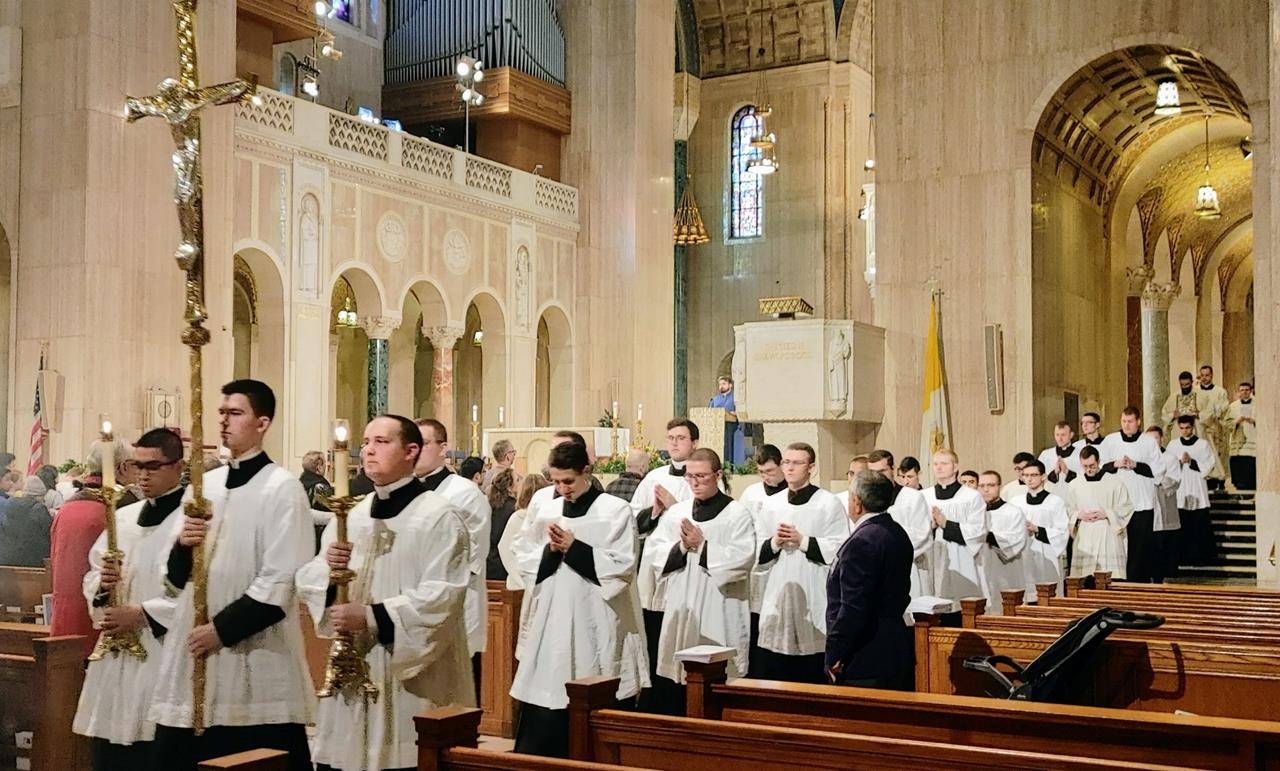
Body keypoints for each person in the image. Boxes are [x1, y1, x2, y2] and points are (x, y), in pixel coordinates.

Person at [149, 380, 314, 770]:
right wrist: (182, 547)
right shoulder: (204, 486)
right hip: (193, 653)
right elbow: (173, 580)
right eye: (221, 412)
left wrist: (220, 630)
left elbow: (281, 578)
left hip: (252, 655)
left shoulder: (282, 489)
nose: (223, 422)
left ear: (262, 422)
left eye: (235, 413)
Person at [297, 415, 473, 771]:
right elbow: (311, 575)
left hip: (412, 679)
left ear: (411, 451)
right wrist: (330, 574)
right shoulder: (352, 516)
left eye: (380, 442)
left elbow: (443, 596)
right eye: (364, 443)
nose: (368, 451)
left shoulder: (439, 517)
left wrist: (374, 615)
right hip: (353, 672)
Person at [509, 441, 648, 757]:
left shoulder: (614, 510)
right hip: (553, 617)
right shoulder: (546, 510)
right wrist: (550, 551)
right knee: (547, 698)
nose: (562, 489)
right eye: (555, 481)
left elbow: (622, 567)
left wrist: (575, 547)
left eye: (568, 481)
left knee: (591, 691)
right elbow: (524, 556)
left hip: (595, 619)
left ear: (586, 471)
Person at [74, 428, 187, 770]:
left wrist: (143, 614)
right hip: (116, 662)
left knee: (153, 752)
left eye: (152, 466)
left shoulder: (192, 521)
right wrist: (104, 587)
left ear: (177, 466)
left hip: (162, 655)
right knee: (110, 753)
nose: (142, 475)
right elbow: (93, 576)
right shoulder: (121, 518)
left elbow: (202, 593)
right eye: (137, 466)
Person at [644, 448, 754, 714]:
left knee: (718, 678)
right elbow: (655, 553)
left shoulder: (737, 513)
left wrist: (702, 545)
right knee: (677, 683)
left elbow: (742, 559)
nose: (694, 482)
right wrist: (681, 547)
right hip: (684, 606)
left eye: (702, 476)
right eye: (690, 476)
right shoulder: (677, 512)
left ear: (717, 475)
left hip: (720, 606)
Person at [753, 443, 847, 684]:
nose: (790, 468)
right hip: (779, 588)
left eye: (797, 463)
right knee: (776, 666)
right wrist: (775, 542)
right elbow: (756, 548)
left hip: (813, 587)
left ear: (811, 468)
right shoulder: (772, 504)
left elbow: (839, 547)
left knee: (810, 665)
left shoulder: (828, 502)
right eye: (786, 462)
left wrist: (802, 540)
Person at [413, 418, 490, 698]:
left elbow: (469, 556)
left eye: (422, 443)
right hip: (412, 609)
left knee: (456, 699)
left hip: (454, 606)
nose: (415, 451)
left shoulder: (465, 493)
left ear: (443, 448)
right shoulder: (405, 491)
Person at [630, 418, 700, 703]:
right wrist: (655, 512)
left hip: (684, 569)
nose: (674, 442)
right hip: (653, 569)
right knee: (653, 633)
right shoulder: (653, 477)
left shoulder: (699, 477)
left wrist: (674, 509)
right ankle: (652, 698)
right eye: (670, 437)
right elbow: (633, 522)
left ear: (694, 443)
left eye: (681, 438)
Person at [825, 470, 913, 690]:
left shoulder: (863, 541)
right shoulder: (896, 531)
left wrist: (835, 651)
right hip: (894, 644)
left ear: (857, 502)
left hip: (866, 654)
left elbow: (853, 607)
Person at [49, 444, 121, 658]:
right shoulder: (112, 511)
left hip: (64, 614)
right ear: (122, 468)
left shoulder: (67, 508)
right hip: (97, 621)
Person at [736, 444, 784, 677]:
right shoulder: (751, 493)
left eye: (771, 471)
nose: (766, 477)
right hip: (755, 566)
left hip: (780, 564)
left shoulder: (791, 495)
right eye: (762, 472)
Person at [1100, 406, 1164, 582]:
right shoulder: (1111, 440)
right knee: (1117, 544)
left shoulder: (1148, 442)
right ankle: (1117, 580)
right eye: (1123, 421)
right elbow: (1100, 468)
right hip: (1117, 504)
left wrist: (1136, 465)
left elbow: (1159, 471)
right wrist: (1115, 464)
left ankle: (1138, 582)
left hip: (1141, 502)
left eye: (1130, 422)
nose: (1126, 425)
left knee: (1140, 546)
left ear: (1138, 422)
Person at [922, 449, 987, 606]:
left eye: (944, 463)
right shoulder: (924, 496)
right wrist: (930, 527)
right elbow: (914, 532)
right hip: (931, 560)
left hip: (961, 562)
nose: (939, 467)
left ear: (956, 467)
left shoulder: (971, 497)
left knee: (958, 610)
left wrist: (946, 524)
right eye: (936, 464)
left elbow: (977, 531)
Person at [865, 450, 932, 599]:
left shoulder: (912, 498)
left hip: (909, 569)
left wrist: (885, 544)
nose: (878, 476)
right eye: (873, 472)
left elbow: (922, 534)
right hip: (876, 573)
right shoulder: (866, 501)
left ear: (893, 470)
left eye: (882, 471)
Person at [1066, 446, 1133, 578]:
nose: (1088, 469)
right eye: (1084, 466)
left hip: (1108, 534)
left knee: (1110, 579)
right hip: (1085, 536)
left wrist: (1107, 513)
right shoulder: (1074, 484)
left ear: (1099, 461)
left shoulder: (1114, 482)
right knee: (1084, 581)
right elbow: (1068, 509)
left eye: (1092, 465)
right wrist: (1078, 515)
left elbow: (1126, 507)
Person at [1008, 460, 1069, 600]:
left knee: (1046, 596)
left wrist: (1037, 529)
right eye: (1026, 475)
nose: (1029, 479)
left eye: (1034, 475)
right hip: (1023, 555)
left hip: (1047, 555)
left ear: (1043, 477)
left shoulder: (1055, 502)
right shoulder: (1015, 502)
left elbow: (1062, 532)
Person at [977, 470, 1029, 613]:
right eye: (981, 486)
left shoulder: (1013, 512)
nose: (986, 489)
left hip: (1005, 572)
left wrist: (988, 535)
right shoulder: (973, 513)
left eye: (991, 485)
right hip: (980, 571)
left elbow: (1016, 541)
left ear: (999, 486)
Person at [1169, 415, 1216, 568]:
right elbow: (1167, 466)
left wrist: (1193, 461)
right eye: (1181, 428)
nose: (1184, 431)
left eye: (1187, 428)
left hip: (1197, 487)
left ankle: (1202, 558)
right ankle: (1182, 558)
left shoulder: (1202, 445)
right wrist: (1179, 462)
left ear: (1193, 427)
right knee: (1182, 525)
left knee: (1199, 525)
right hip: (1181, 488)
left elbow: (1209, 464)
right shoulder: (1173, 445)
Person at [1146, 425, 1182, 582]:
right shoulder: (1142, 457)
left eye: (1155, 438)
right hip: (1146, 506)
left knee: (1163, 544)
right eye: (1149, 439)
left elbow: (1174, 480)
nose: (1152, 443)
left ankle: (1162, 577)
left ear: (1161, 439)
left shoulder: (1170, 458)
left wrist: (1156, 479)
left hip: (1164, 505)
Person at [0, 476, 52, 566]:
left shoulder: (9, 505)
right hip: (33, 561)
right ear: (38, 496)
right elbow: (49, 533)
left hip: (5, 559)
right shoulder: (39, 509)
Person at [486, 468, 518, 584]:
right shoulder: (512, 508)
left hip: (488, 562)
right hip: (503, 565)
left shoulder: (489, 503)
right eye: (517, 480)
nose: (520, 484)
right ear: (509, 487)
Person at [299, 450, 333, 550]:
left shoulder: (298, 484)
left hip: (302, 535)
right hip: (318, 536)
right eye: (325, 464)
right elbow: (331, 510)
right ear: (319, 467)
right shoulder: (321, 487)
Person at [709, 376, 745, 466]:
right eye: (720, 384)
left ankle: (729, 466)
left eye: (724, 384)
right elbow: (710, 412)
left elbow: (741, 412)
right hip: (716, 426)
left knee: (728, 447)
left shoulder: (735, 398)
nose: (721, 386)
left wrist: (735, 413)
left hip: (731, 426)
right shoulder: (715, 399)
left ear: (730, 385)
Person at [1227, 382, 1257, 490]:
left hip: (1253, 437)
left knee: (1251, 463)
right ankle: (1239, 485)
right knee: (1238, 462)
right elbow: (1228, 423)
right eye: (1242, 390)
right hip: (1238, 438)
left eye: (1247, 390)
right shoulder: (1233, 406)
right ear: (1239, 392)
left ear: (1251, 391)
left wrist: (1253, 420)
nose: (1244, 392)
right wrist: (1236, 421)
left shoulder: (1257, 404)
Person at [1038, 421, 1080, 489]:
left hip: (1072, 494)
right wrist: (1054, 473)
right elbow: (1039, 477)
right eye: (1057, 435)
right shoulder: (1045, 455)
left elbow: (1083, 479)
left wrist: (1067, 472)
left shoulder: (1080, 455)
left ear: (1071, 435)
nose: (1060, 439)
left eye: (1063, 435)